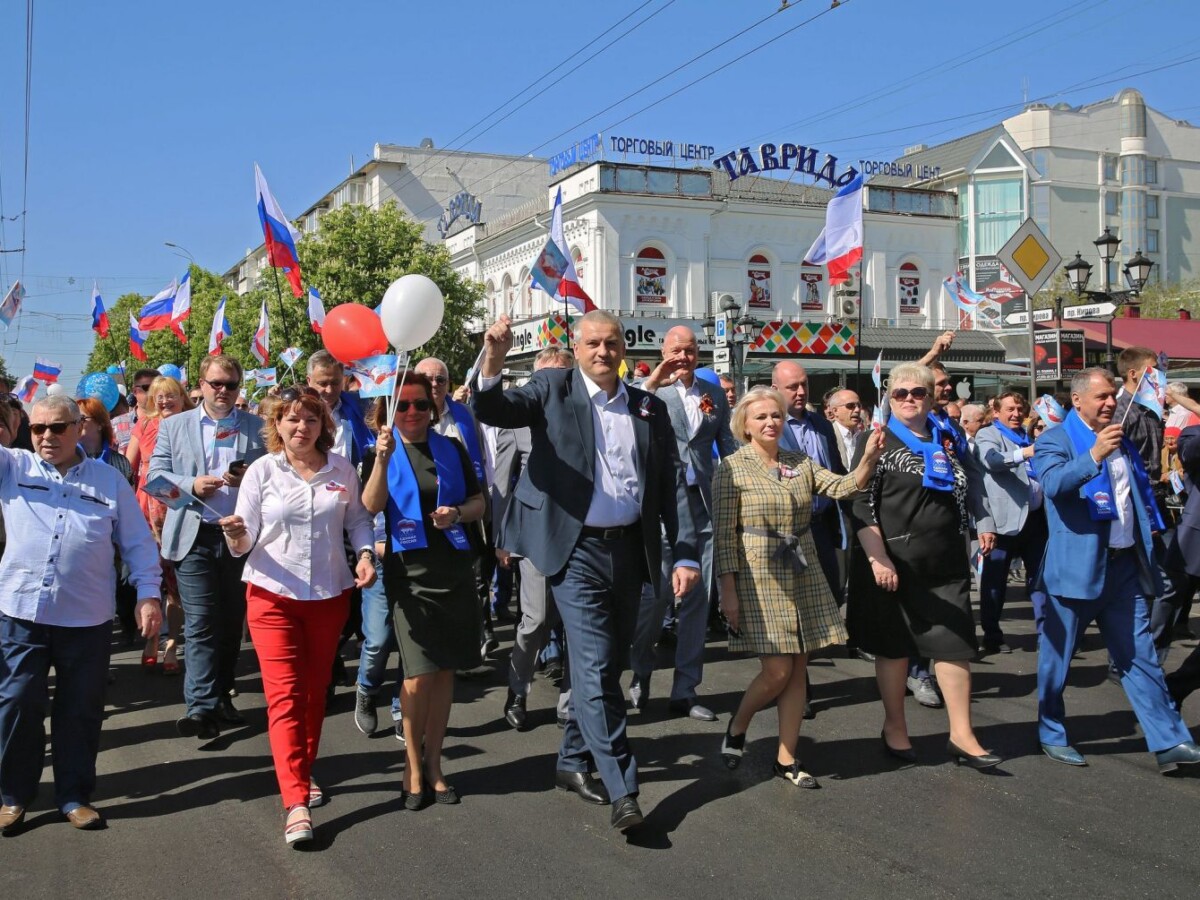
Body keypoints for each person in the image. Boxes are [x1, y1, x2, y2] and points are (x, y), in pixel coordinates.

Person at [472, 310, 698, 832]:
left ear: (624, 350)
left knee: (609, 664)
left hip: (630, 553)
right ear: (576, 348)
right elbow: (493, 406)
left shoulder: (647, 407)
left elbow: (668, 486)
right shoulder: (552, 388)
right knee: (595, 667)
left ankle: (572, 760)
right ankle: (624, 788)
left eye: (612, 343)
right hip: (574, 553)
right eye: (593, 343)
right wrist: (495, 358)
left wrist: (684, 553)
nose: (603, 352)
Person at [218, 387, 375, 846]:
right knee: (284, 698)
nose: (300, 427)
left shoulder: (341, 468)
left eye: (309, 420)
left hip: (329, 596)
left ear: (322, 425)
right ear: (277, 425)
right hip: (272, 596)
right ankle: (296, 802)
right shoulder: (263, 472)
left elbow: (358, 520)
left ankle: (302, 772)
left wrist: (365, 553)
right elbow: (244, 541)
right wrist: (237, 533)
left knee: (312, 696)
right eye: (291, 419)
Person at [0, 397, 162, 834]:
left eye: (57, 428)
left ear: (79, 428)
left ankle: (73, 795)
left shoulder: (109, 481)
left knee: (79, 711)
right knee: (16, 703)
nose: (46, 437)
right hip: (21, 613)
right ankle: (14, 795)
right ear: (25, 430)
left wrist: (148, 595)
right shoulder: (13, 467)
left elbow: (139, 544)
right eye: (37, 429)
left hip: (86, 619)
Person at [715, 387, 884, 786]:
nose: (771, 422)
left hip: (801, 568)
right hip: (758, 576)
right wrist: (728, 589)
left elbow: (843, 488)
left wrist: (870, 458)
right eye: (761, 417)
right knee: (777, 670)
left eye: (775, 415)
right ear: (745, 425)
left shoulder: (800, 461)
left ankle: (786, 758)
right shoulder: (730, 468)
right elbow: (723, 536)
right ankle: (738, 725)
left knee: (798, 670)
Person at [1034, 367, 1200, 772]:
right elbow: (1053, 485)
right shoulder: (1055, 440)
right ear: (1076, 400)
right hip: (1075, 570)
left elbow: (1133, 498)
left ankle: (1170, 741)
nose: (1111, 403)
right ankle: (1051, 733)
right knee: (1057, 658)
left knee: (1140, 656)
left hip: (1124, 568)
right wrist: (1092, 455)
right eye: (1102, 397)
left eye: (1112, 396)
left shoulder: (1120, 439)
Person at [847, 363, 1000, 769]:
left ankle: (962, 735)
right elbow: (859, 503)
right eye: (901, 394)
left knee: (955, 647)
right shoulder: (876, 439)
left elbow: (967, 489)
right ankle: (895, 727)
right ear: (889, 398)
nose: (910, 399)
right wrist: (877, 559)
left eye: (919, 392)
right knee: (895, 650)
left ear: (932, 398)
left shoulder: (947, 438)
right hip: (895, 563)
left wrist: (979, 526)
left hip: (946, 562)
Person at [362, 373, 486, 809]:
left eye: (420, 404)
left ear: (431, 409)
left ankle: (435, 764)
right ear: (389, 410)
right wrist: (380, 459)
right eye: (403, 405)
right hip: (408, 573)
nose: (412, 412)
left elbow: (480, 503)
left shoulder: (450, 447)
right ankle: (411, 766)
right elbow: (370, 505)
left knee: (445, 671)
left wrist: (457, 513)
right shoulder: (379, 451)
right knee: (417, 674)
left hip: (451, 566)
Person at [149, 354, 266, 740]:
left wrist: (248, 481)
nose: (223, 392)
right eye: (216, 384)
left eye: (231, 385)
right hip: (193, 534)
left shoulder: (257, 427)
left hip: (240, 536)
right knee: (200, 622)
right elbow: (155, 479)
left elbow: (273, 479)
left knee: (232, 623)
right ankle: (199, 707)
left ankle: (221, 696)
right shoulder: (175, 426)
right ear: (200, 384)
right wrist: (190, 485)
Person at [630, 326, 737, 721]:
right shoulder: (648, 388)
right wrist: (656, 380)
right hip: (660, 507)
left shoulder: (712, 397)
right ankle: (639, 672)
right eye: (676, 349)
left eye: (690, 350)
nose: (683, 356)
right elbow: (630, 418)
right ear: (663, 350)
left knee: (697, 601)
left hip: (701, 506)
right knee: (655, 599)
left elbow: (726, 444)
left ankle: (686, 689)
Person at [494, 347, 574, 731]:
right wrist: (502, 537)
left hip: (579, 530)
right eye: (548, 378)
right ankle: (517, 689)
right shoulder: (518, 419)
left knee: (579, 623)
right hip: (535, 531)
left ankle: (570, 704)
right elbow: (502, 484)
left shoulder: (585, 413)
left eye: (563, 376)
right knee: (536, 619)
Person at [413, 356, 494, 657]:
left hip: (464, 515)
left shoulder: (464, 414)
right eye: (428, 379)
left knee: (473, 580)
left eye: (441, 379)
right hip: (420, 520)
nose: (434, 385)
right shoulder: (405, 413)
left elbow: (483, 462)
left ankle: (476, 638)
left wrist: (483, 509)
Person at [126, 376, 191, 674]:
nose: (164, 401)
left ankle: (172, 643)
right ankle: (152, 638)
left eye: (170, 395)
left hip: (179, 508)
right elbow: (128, 466)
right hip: (145, 509)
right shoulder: (144, 426)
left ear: (182, 397)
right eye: (158, 396)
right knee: (152, 576)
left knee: (174, 583)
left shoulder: (192, 425)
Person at [974, 391, 1049, 652]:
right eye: (1009, 409)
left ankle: (1045, 636)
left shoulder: (1028, 436)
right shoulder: (988, 434)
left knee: (1040, 580)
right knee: (995, 582)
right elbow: (992, 461)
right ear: (996, 412)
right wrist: (1024, 453)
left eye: (1020, 409)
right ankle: (992, 636)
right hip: (1004, 523)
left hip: (1037, 521)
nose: (1016, 413)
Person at [1166, 423, 1200, 705]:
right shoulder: (1192, 435)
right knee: (1165, 606)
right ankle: (1169, 687)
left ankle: (1174, 687)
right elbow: (1190, 453)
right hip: (1193, 549)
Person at [306, 350, 374, 465]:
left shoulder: (361, 405)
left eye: (335, 383)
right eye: (323, 384)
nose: (329, 390)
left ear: (342, 378)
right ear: (309, 381)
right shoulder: (296, 413)